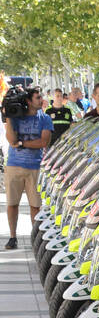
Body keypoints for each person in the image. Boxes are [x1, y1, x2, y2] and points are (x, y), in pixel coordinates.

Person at [4, 85, 51, 249]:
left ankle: (35, 238)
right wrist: (8, 117)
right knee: (12, 204)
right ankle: (12, 237)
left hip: (34, 167)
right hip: (14, 165)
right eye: (38, 98)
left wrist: (22, 143)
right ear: (28, 101)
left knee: (35, 205)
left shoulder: (45, 118)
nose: (41, 100)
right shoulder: (16, 117)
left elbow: (43, 142)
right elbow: (11, 140)